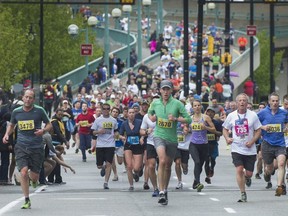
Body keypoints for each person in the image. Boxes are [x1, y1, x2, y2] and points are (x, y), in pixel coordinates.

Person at [2, 89, 52, 209]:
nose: (28, 99)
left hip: (36, 146)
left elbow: (49, 124)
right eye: (26, 97)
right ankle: (27, 199)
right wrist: (7, 134)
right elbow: (12, 125)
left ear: (33, 99)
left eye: (30, 97)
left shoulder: (39, 111)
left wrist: (43, 130)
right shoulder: (16, 112)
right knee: (23, 172)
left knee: (34, 176)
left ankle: (34, 180)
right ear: (23, 98)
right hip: (21, 146)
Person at [148, 80, 192, 205]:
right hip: (159, 136)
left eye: (168, 89)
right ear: (160, 91)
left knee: (168, 165)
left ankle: (165, 189)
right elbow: (150, 113)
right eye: (163, 89)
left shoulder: (177, 104)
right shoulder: (155, 103)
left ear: (171, 90)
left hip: (172, 139)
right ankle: (161, 191)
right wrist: (152, 117)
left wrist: (176, 119)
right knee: (161, 160)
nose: (166, 92)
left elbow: (188, 119)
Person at [222, 93, 262, 202]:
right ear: (237, 102)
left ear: (247, 102)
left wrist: (252, 141)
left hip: (250, 149)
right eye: (240, 100)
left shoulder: (253, 115)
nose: (242, 102)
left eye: (244, 100)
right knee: (239, 169)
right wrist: (227, 138)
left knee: (249, 173)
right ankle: (242, 193)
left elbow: (258, 130)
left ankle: (247, 178)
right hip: (236, 148)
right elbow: (225, 129)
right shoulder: (232, 115)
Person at [257, 92, 288, 196]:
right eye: (273, 101)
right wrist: (263, 127)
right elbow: (254, 123)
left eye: (276, 101)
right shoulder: (263, 113)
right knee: (270, 168)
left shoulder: (283, 112)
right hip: (267, 144)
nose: (275, 103)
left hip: (280, 143)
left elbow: (287, 121)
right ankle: (267, 173)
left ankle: (279, 187)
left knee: (281, 164)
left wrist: (286, 127)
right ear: (269, 102)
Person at [188, 100, 216, 192]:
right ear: (192, 107)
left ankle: (195, 181)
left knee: (200, 165)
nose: (197, 107)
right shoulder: (190, 118)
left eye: (198, 105)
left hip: (204, 145)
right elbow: (186, 128)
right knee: (197, 162)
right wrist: (185, 129)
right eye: (195, 105)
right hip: (193, 144)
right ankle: (198, 183)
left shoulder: (206, 118)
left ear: (201, 107)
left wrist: (206, 127)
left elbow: (213, 129)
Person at [91, 103, 118, 189]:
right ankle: (102, 167)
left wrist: (116, 135)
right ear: (102, 110)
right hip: (100, 145)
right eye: (104, 109)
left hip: (110, 144)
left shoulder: (113, 120)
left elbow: (116, 130)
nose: (106, 110)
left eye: (107, 109)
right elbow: (92, 132)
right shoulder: (98, 120)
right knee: (99, 165)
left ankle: (106, 182)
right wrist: (99, 132)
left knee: (109, 164)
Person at [119, 108, 143, 191]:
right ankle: (131, 185)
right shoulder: (124, 123)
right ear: (127, 114)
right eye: (130, 113)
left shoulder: (139, 122)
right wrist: (122, 137)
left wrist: (142, 138)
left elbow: (143, 131)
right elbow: (120, 134)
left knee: (136, 168)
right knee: (129, 166)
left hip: (137, 146)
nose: (131, 114)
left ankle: (136, 172)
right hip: (128, 145)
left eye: (133, 112)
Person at [204, 106, 223, 184]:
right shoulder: (203, 122)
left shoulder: (217, 123)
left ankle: (212, 168)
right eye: (209, 112)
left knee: (212, 159)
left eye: (212, 112)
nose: (210, 113)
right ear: (206, 113)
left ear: (214, 114)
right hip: (204, 144)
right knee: (206, 161)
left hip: (213, 143)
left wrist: (214, 132)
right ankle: (207, 176)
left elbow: (220, 133)